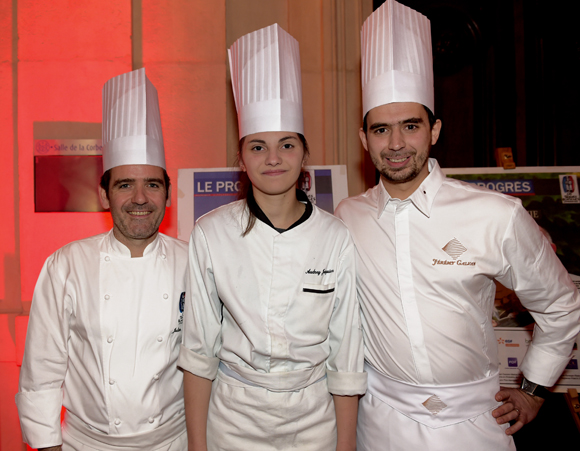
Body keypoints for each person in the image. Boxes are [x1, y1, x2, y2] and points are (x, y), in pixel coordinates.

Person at [334, 1, 580, 450]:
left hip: (476, 426)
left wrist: (533, 390)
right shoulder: (347, 217)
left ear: (435, 130)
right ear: (363, 139)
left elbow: (562, 305)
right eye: (381, 129)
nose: (395, 144)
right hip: (380, 425)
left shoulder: (495, 215)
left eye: (410, 126)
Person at [178, 24, 366, 451]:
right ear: (241, 159)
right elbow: (198, 352)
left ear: (304, 156)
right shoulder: (212, 233)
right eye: (258, 147)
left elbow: (346, 353)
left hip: (315, 419)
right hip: (233, 420)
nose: (274, 158)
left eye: (286, 145)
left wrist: (347, 444)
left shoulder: (335, 236)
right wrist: (196, 445)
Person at [16, 68, 188, 451]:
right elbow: (42, 371)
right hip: (87, 444)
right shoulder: (66, 265)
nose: (140, 198)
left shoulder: (193, 263)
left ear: (169, 194)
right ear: (104, 195)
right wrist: (47, 445)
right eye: (125, 184)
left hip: (173, 442)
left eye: (153, 185)